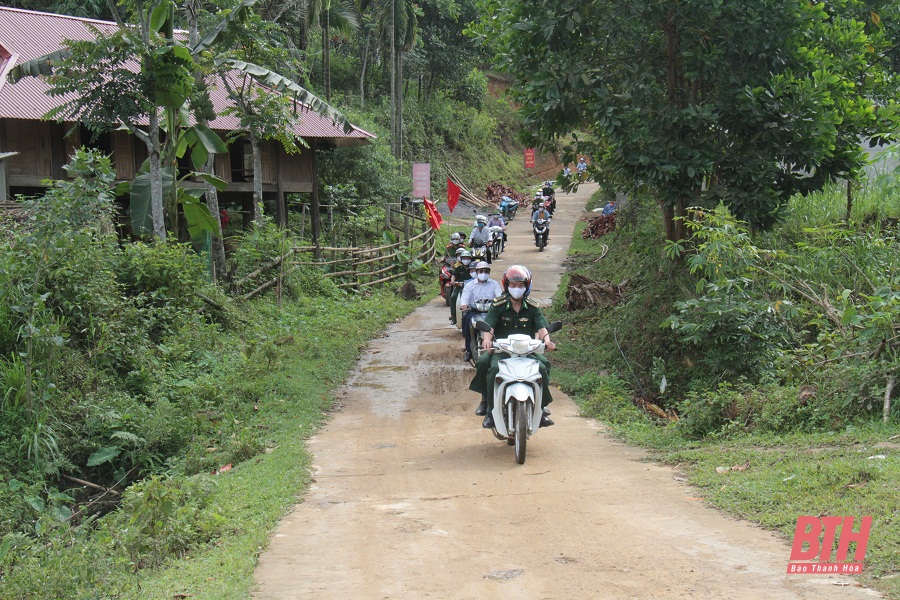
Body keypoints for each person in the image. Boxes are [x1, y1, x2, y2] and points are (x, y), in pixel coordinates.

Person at [469, 265, 556, 428]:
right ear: (507, 285)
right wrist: (487, 340)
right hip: (502, 350)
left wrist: (547, 341)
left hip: (527, 351)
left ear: (527, 286)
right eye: (513, 285)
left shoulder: (532, 307)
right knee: (487, 365)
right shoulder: (498, 305)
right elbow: (489, 326)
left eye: (521, 285)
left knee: (543, 367)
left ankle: (542, 408)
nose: (517, 289)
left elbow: (542, 328)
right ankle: (488, 407)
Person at [459, 261, 503, 362]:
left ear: (489, 272)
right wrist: (465, 305)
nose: (483, 273)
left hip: (491, 312)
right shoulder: (469, 285)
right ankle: (469, 350)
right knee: (466, 320)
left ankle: (501, 346)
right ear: (477, 272)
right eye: (481, 271)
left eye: (486, 271)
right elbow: (464, 300)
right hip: (474, 311)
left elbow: (500, 297)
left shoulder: (494, 284)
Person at [448, 249, 473, 324]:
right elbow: (454, 276)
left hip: (471, 287)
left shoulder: (473, 268)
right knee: (453, 297)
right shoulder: (458, 269)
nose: (466, 260)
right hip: (460, 287)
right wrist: (453, 281)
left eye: (468, 258)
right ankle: (453, 316)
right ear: (461, 260)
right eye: (464, 258)